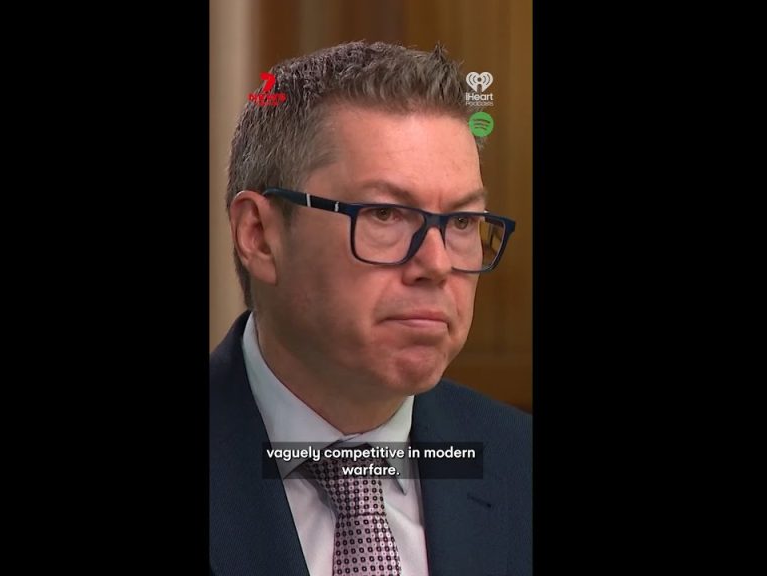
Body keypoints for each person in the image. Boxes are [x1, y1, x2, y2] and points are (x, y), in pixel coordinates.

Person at [210, 40, 531, 576]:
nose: (437, 264)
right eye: (385, 214)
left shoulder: (519, 465)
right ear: (260, 236)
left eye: (461, 222)